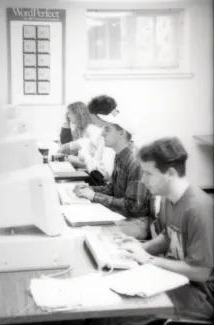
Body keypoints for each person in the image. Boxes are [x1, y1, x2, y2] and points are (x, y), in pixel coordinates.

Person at [90, 137, 213, 324]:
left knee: (117, 313)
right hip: (172, 278)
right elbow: (168, 235)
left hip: (199, 294)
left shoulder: (198, 209)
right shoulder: (166, 197)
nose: (142, 179)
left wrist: (149, 260)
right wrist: (141, 248)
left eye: (148, 173)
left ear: (170, 173)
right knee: (108, 294)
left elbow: (201, 272)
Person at [74, 110, 150, 240]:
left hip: (137, 223)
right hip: (123, 217)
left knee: (91, 233)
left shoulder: (135, 162)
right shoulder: (120, 155)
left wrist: (94, 196)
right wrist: (91, 189)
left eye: (107, 129)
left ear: (121, 133)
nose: (102, 133)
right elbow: (114, 188)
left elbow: (133, 207)